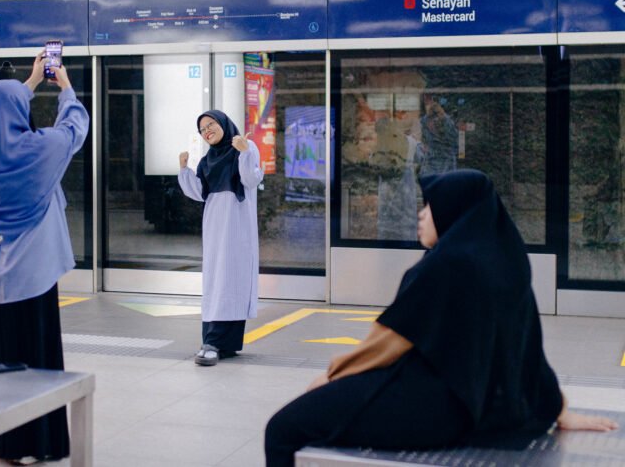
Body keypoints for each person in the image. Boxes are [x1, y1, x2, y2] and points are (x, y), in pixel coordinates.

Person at [265, 170, 618, 466]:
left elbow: (389, 340)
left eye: (430, 205)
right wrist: (556, 408)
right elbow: (525, 344)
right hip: (480, 409)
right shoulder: (506, 260)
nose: (421, 214)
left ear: (454, 211)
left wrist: (333, 375)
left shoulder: (446, 265)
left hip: (431, 407)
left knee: (282, 429)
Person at [0, 52, 89, 464]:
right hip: (32, 276)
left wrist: (31, 81)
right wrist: (63, 85)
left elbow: (0, 106)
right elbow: (74, 129)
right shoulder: (40, 150)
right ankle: (36, 445)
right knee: (36, 362)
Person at [178, 110, 263, 366]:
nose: (207, 131)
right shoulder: (206, 160)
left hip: (238, 227)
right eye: (203, 129)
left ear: (224, 124)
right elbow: (199, 192)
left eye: (211, 124)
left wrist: (245, 151)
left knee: (233, 280)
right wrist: (184, 170)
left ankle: (214, 343)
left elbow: (250, 178)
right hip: (215, 227)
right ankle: (219, 343)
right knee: (217, 281)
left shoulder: (246, 147)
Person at [419, 94, 458, 177]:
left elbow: (455, 143)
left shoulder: (447, 122)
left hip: (444, 163)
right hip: (431, 164)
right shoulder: (423, 121)